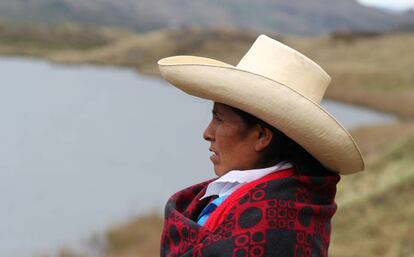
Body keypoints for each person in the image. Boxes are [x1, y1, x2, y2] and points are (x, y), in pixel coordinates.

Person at [157, 35, 364, 257]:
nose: (207, 133)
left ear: (262, 136)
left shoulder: (278, 222)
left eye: (219, 119)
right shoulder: (281, 202)